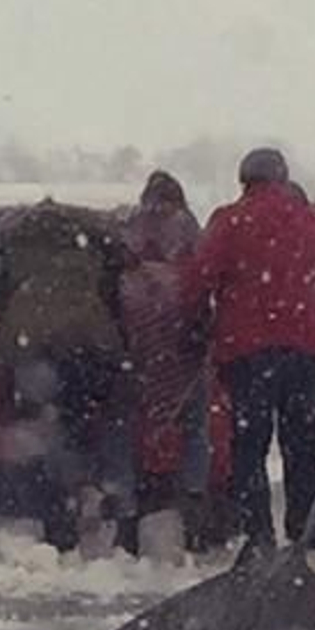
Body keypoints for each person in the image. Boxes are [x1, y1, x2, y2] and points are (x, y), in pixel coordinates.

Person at [184, 147, 315, 554]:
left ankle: (258, 535)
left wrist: (197, 329)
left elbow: (197, 281)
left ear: (244, 180)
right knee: (302, 449)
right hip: (309, 354)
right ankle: (303, 535)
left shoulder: (230, 221)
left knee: (250, 447)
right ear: (283, 178)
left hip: (248, 353)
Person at [0, 199, 128, 551]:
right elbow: (106, 338)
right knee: (83, 433)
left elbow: (10, 340)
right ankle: (92, 494)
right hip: (84, 365)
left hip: (36, 364)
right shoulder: (88, 282)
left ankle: (54, 514)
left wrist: (9, 367)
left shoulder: (26, 284)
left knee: (42, 439)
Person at [119, 172, 211, 556]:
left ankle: (127, 513)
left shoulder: (127, 226)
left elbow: (114, 273)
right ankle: (193, 510)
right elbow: (205, 275)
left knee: (127, 422)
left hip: (136, 337)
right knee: (194, 428)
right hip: (180, 336)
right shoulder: (188, 226)